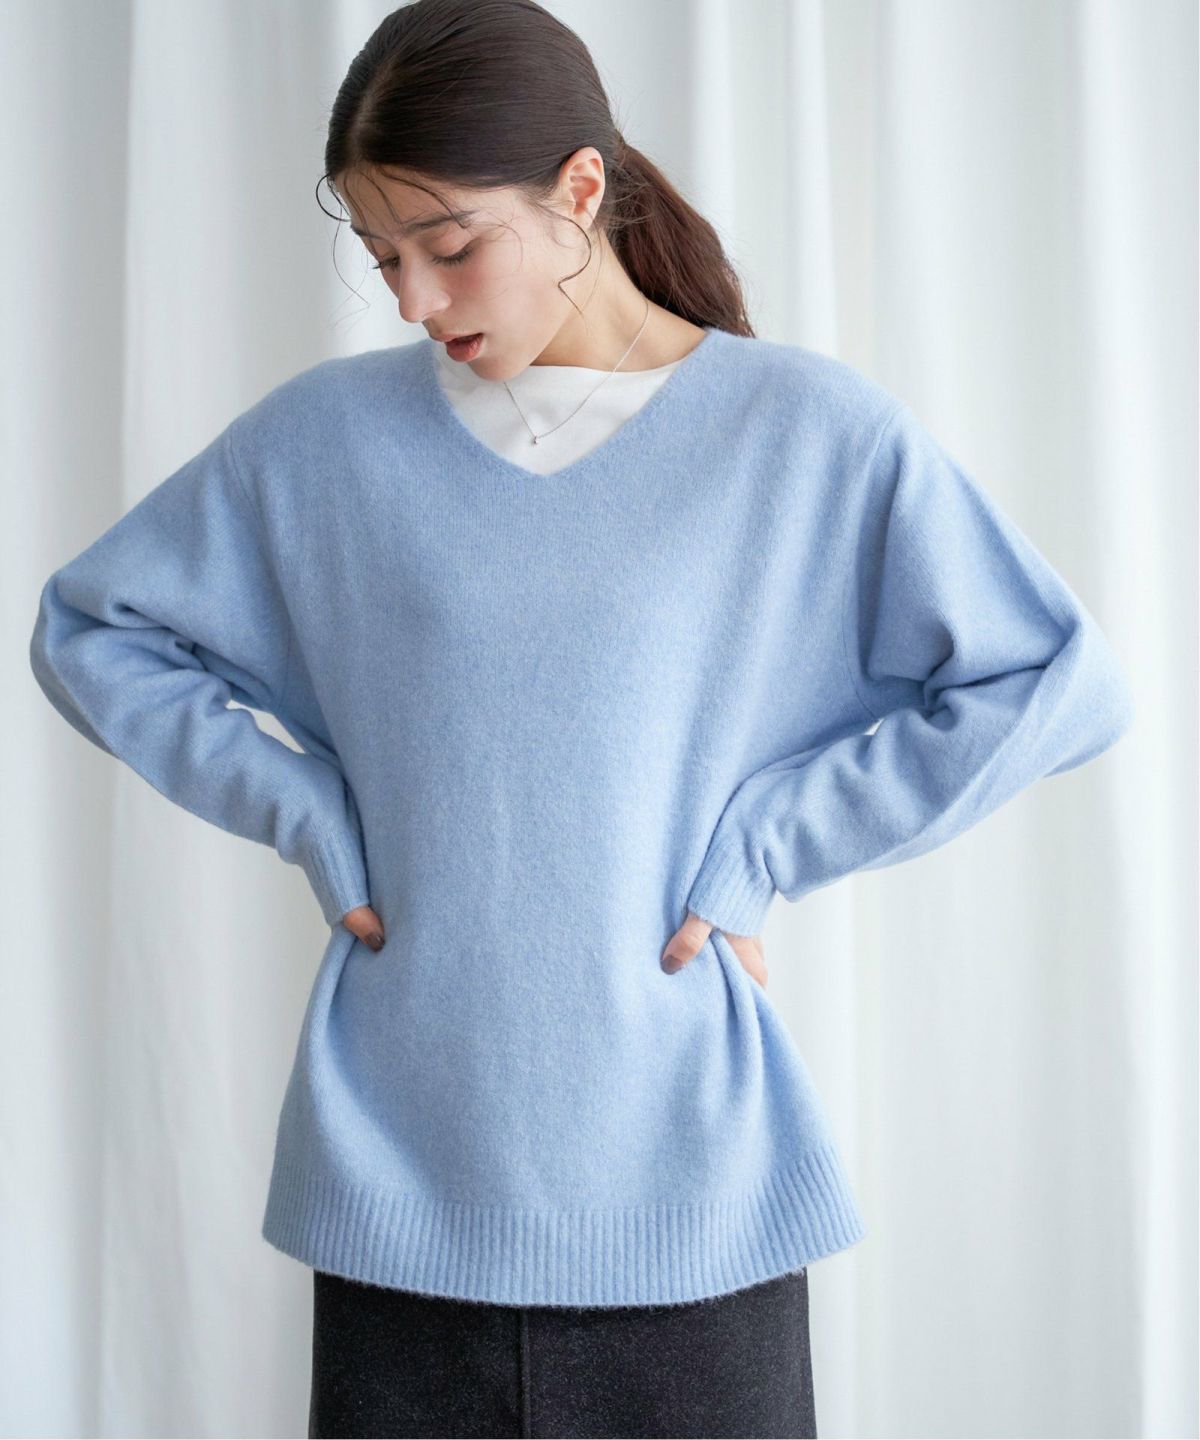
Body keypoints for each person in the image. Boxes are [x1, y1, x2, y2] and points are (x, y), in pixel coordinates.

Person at [27, 1, 1135, 1436]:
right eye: (383, 257)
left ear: (580, 190)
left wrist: (770, 843)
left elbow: (1051, 679)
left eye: (448, 245)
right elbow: (94, 628)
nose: (413, 301)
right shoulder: (323, 443)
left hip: (694, 1201)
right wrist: (305, 808)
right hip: (402, 1196)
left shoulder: (805, 434)